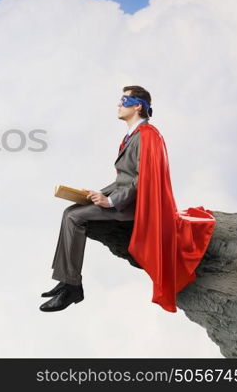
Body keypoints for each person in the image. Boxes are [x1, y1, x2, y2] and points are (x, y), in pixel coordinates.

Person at [39, 85, 152, 312]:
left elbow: (142, 180)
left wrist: (110, 201)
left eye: (124, 100)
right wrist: (96, 195)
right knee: (70, 211)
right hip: (121, 197)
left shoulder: (147, 137)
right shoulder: (133, 135)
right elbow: (124, 178)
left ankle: (73, 287)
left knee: (74, 217)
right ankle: (66, 278)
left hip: (133, 206)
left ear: (137, 106)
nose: (119, 105)